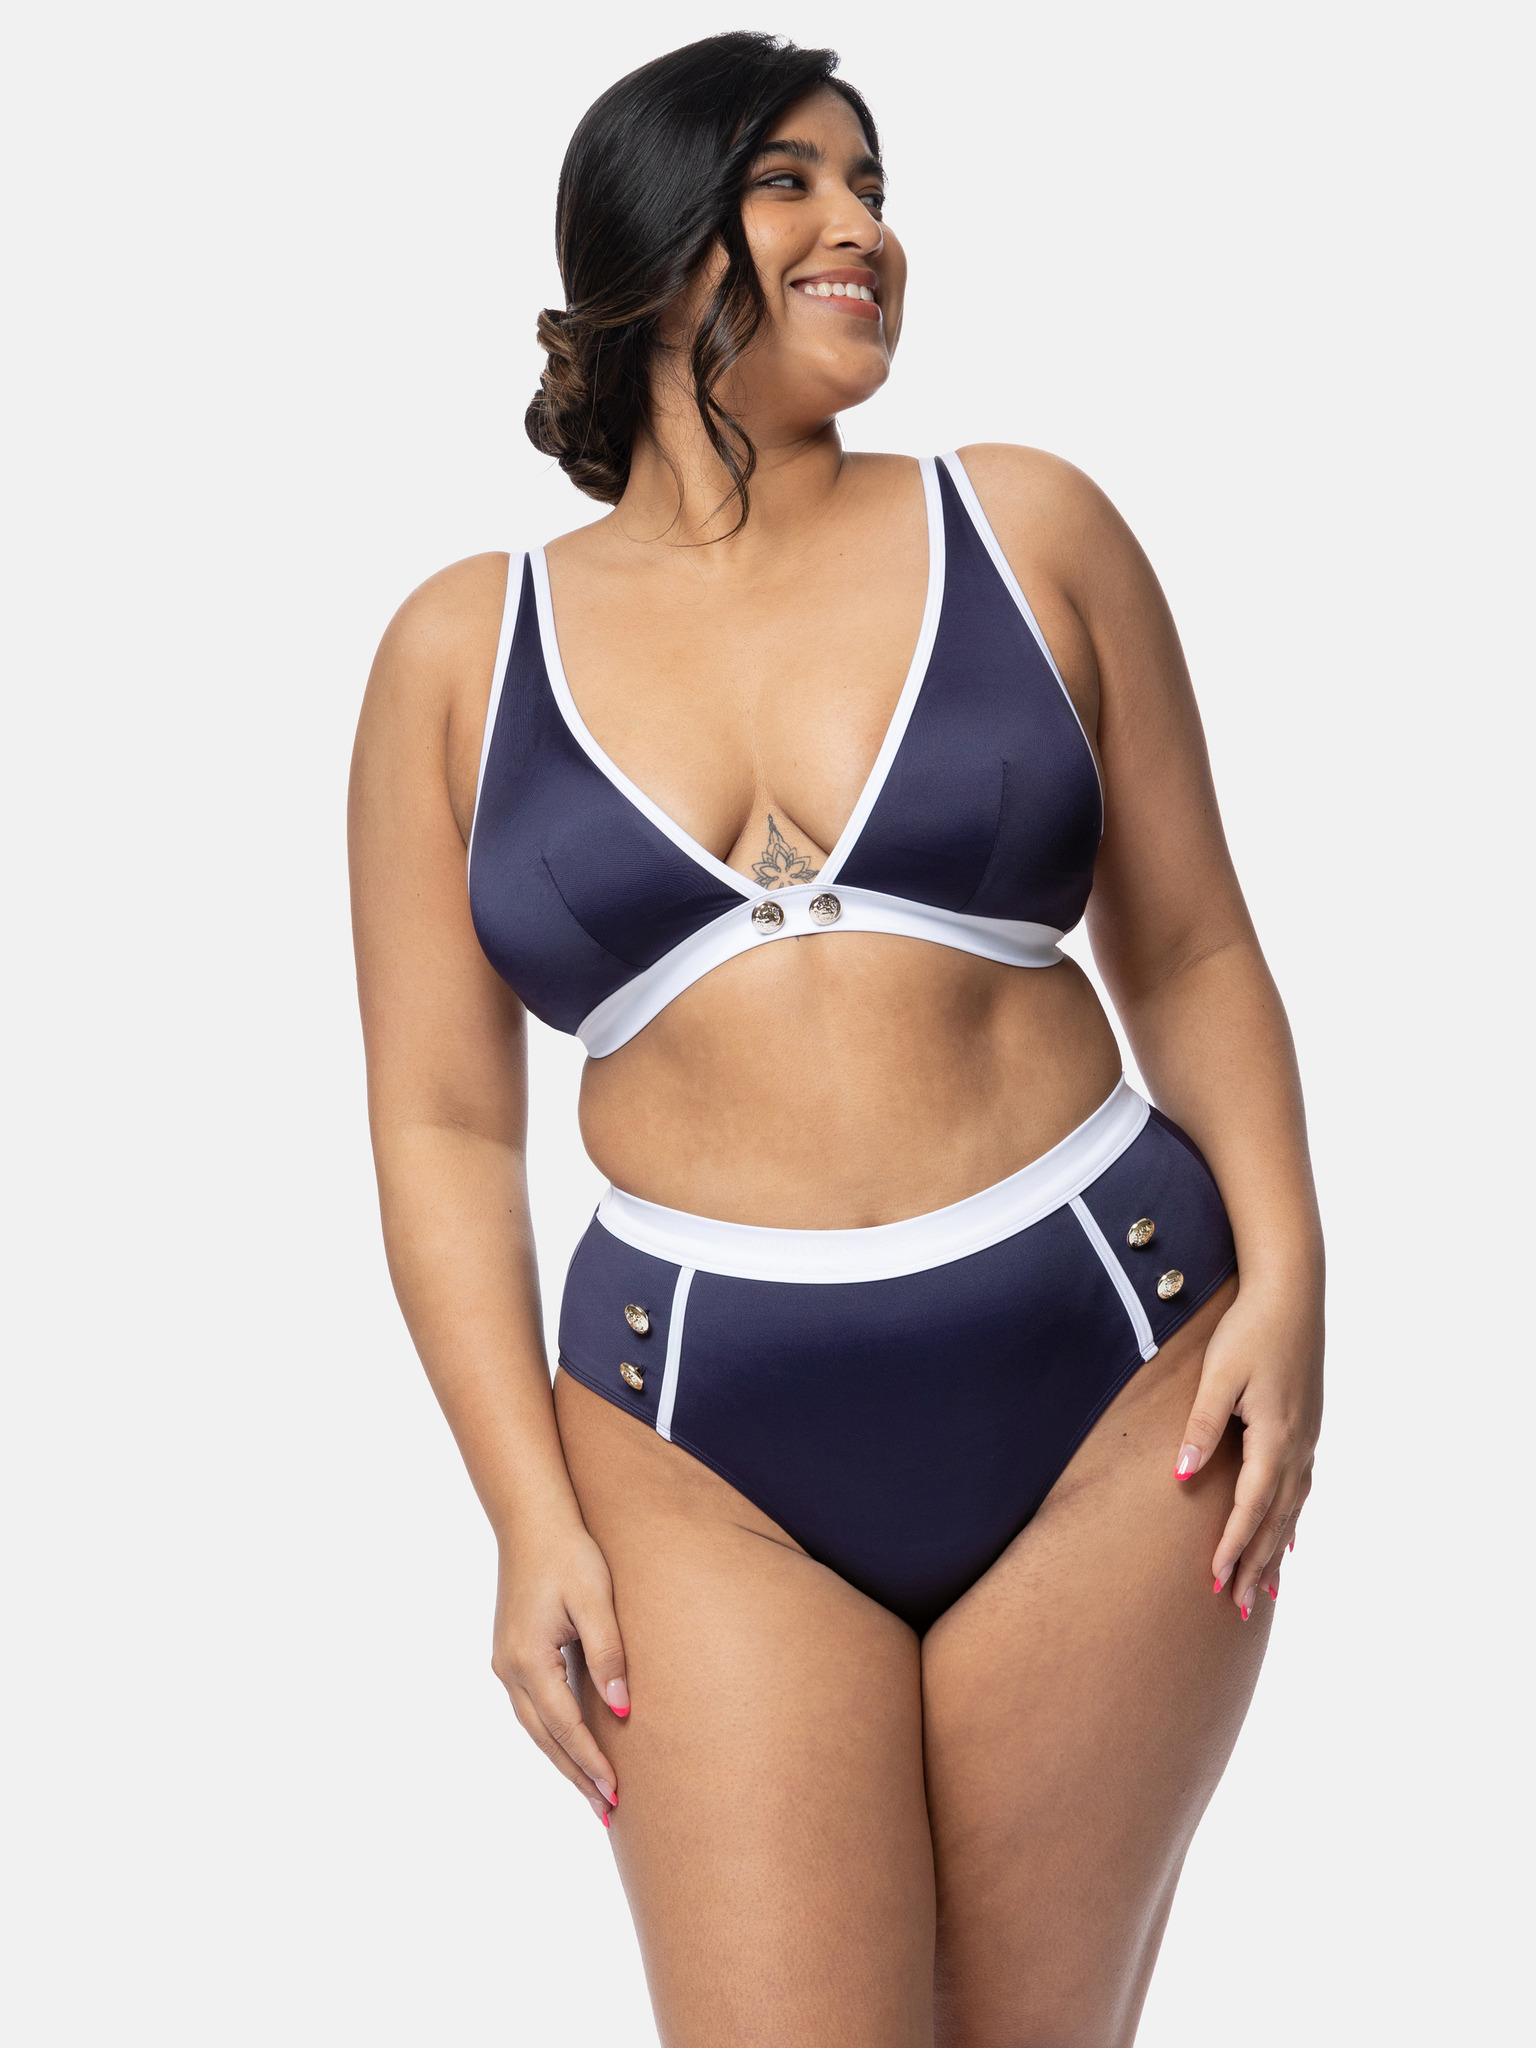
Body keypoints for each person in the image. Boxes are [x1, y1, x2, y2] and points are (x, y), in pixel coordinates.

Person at [349, 30, 1324, 2047]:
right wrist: (523, 1511)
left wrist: (1298, 1279)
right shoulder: (460, 652)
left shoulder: (1028, 527)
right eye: (791, 181)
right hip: (691, 1443)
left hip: (1120, 1378)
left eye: (872, 185)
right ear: (654, 243)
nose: (860, 225)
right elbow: (444, 1121)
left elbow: (1196, 948)